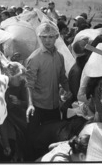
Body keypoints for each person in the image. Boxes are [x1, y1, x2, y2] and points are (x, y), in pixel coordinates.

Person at [25, 21, 72, 161]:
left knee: (53, 141)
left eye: (51, 37)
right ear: (40, 38)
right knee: (33, 141)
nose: (47, 40)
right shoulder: (34, 58)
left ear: (57, 37)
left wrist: (71, 92)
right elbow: (29, 84)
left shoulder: (60, 57)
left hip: (54, 107)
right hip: (38, 107)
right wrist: (30, 104)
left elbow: (63, 78)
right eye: (44, 37)